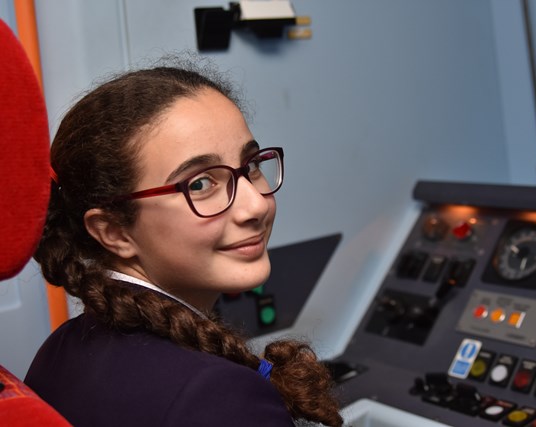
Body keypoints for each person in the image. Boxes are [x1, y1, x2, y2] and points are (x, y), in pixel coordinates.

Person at [24, 59, 344, 427]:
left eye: (251, 164)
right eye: (200, 184)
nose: (256, 204)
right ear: (113, 231)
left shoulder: (57, 349)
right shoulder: (219, 399)